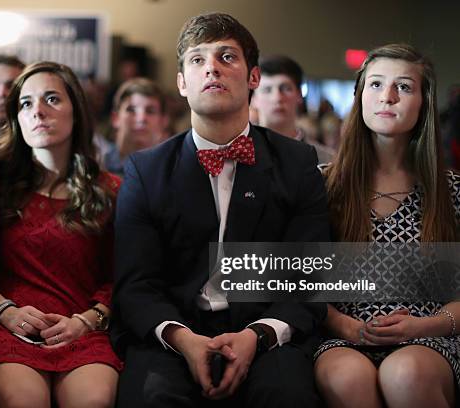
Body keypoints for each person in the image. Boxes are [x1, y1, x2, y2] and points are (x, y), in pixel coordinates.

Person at [112, 12, 330, 407]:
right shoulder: (146, 170)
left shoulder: (298, 163)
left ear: (253, 77)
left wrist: (256, 335)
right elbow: (136, 284)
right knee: (150, 398)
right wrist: (183, 339)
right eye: (197, 59)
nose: (211, 67)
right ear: (181, 82)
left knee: (288, 396)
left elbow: (308, 277)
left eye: (226, 56)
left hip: (266, 332)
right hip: (174, 332)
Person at [315, 44, 460, 408]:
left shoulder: (452, 191)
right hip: (344, 335)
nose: (388, 97)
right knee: (349, 378)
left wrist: (422, 327)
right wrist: (349, 328)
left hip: (431, 337)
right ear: (359, 96)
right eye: (376, 85)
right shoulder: (322, 186)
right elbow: (299, 282)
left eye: (404, 87)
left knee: (405, 373)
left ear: (424, 103)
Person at [0, 61, 121, 408]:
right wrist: (5, 312)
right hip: (12, 324)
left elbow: (126, 275)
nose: (38, 111)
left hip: (84, 328)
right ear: (16, 117)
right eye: (26, 103)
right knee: (22, 401)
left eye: (52, 99)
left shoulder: (113, 189)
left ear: (76, 112)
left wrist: (89, 320)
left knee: (94, 401)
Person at [250, 55, 334, 163]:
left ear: (299, 94)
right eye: (267, 90)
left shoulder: (325, 159)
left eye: (286, 89)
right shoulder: (239, 154)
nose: (277, 98)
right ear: (253, 98)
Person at [104, 77, 167, 176]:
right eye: (131, 110)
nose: (141, 118)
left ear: (163, 121)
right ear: (115, 118)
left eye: (150, 111)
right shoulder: (97, 167)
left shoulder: (174, 173)